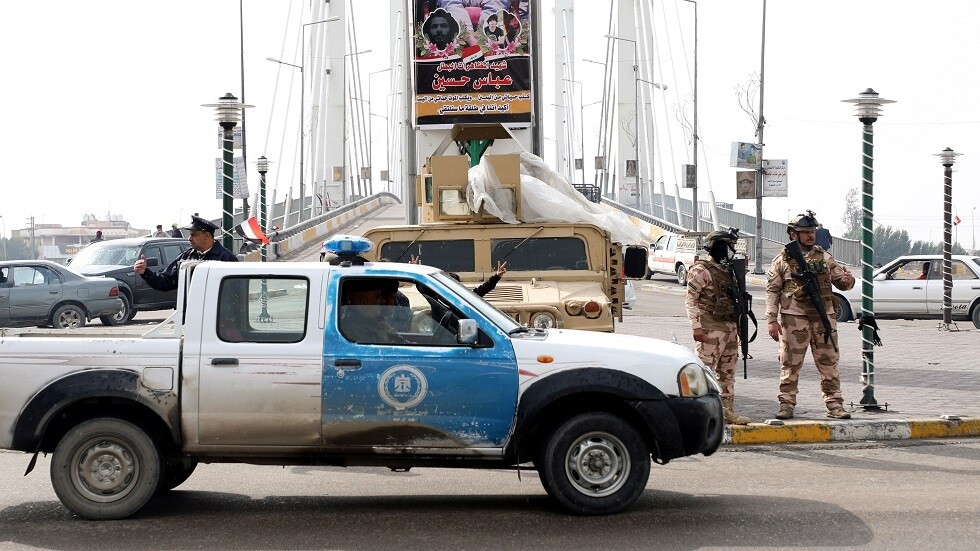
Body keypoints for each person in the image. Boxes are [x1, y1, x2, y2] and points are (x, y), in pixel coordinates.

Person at [766, 210, 856, 420]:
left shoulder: (824, 257)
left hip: (823, 318)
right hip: (794, 318)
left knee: (829, 362)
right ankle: (786, 404)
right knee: (790, 363)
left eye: (812, 231)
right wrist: (771, 319)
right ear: (792, 234)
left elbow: (842, 283)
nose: (810, 235)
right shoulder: (782, 260)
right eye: (805, 232)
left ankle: (834, 404)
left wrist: (848, 280)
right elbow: (773, 290)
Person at [685, 230, 750, 425]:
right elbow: (691, 300)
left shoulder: (729, 270)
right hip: (709, 329)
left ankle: (726, 410)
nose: (732, 250)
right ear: (719, 247)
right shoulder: (701, 270)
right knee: (704, 372)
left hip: (729, 328)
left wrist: (739, 327)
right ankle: (696, 413)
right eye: (729, 246)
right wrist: (696, 327)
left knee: (727, 374)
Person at [134, 215, 238, 292]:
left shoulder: (227, 259)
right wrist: (145, 272)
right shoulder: (186, 257)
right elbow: (165, 283)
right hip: (190, 316)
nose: (190, 238)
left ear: (206, 236)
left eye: (194, 235)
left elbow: (235, 292)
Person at [339, 278, 409, 345]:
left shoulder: (374, 321)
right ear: (364, 301)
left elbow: (398, 341)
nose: (382, 301)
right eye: (378, 296)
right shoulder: (356, 330)